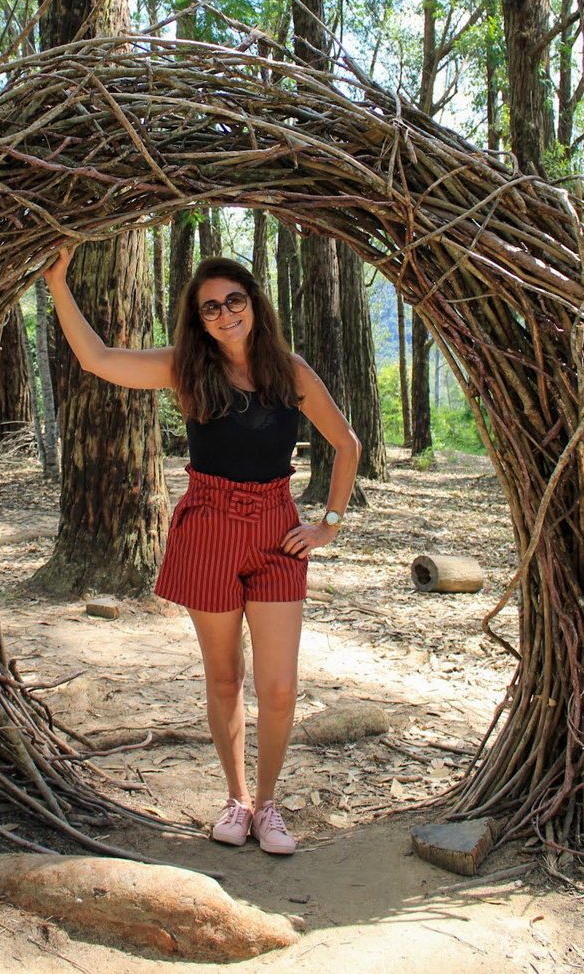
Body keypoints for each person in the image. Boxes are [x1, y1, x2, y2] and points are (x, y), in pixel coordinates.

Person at [42, 246, 361, 855]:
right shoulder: (188, 369)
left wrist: (329, 524)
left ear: (253, 303)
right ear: (198, 318)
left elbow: (346, 444)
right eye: (210, 307)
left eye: (233, 300)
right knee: (223, 678)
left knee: (281, 686)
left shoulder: (289, 372)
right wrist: (59, 285)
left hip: (276, 531)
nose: (224, 313)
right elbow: (99, 359)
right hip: (208, 526)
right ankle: (237, 800)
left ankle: (268, 805)